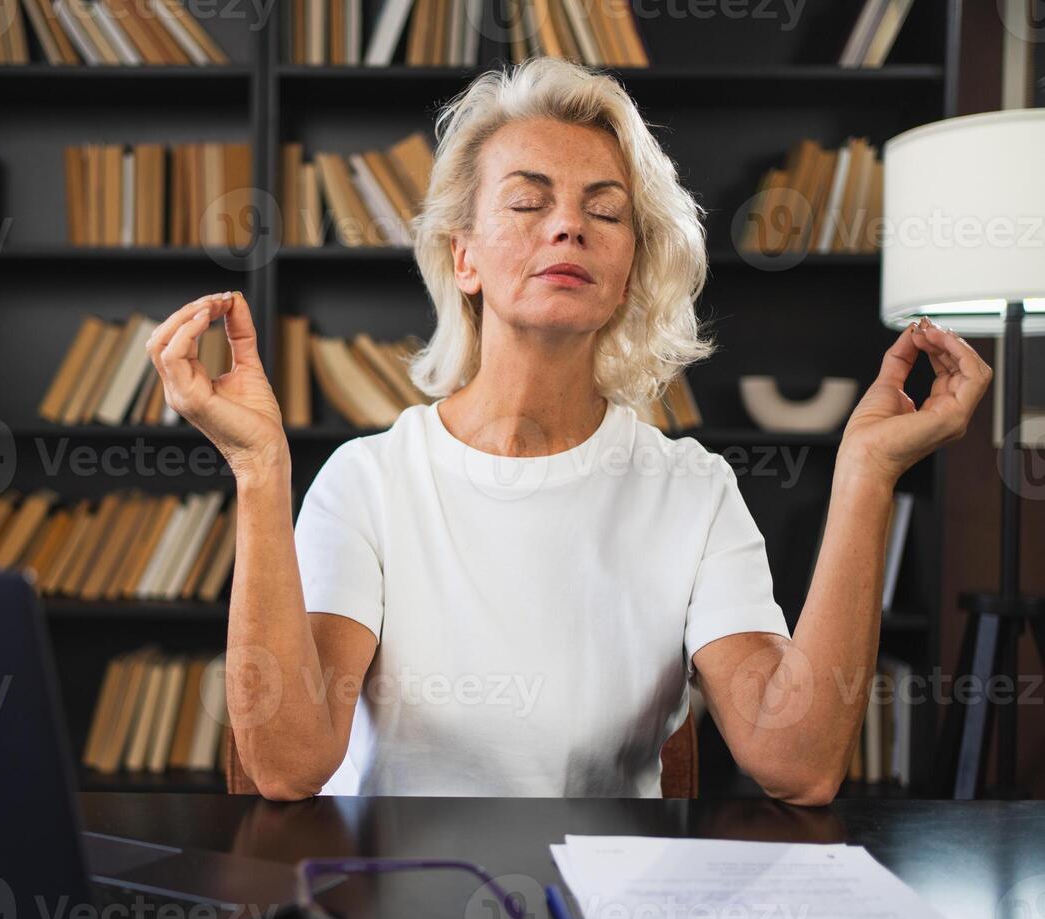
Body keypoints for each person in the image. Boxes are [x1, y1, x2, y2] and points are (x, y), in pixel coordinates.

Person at [144, 57, 992, 802]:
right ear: (464, 257)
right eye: (527, 201)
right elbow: (291, 766)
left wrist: (867, 473)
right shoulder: (368, 482)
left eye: (605, 209)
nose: (568, 226)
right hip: (394, 912)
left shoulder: (690, 490)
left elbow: (798, 764)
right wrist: (258, 468)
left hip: (607, 908)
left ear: (626, 272)